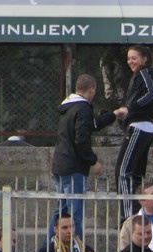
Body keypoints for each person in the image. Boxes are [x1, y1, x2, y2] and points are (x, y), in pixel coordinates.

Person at [50, 73, 119, 242]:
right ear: (92, 89)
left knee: (61, 211)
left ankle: (50, 246)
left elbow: (91, 125)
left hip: (60, 164)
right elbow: (82, 139)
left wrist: (113, 115)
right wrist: (92, 160)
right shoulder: (83, 108)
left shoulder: (68, 108)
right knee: (75, 214)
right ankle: (76, 249)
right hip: (74, 167)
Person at [115, 44, 153, 218]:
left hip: (140, 125)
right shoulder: (138, 76)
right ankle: (139, 212)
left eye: (134, 58)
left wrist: (130, 108)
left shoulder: (145, 73)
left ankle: (127, 216)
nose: (130, 61)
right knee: (136, 172)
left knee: (123, 171)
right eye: (128, 58)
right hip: (141, 125)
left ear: (144, 59)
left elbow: (150, 93)